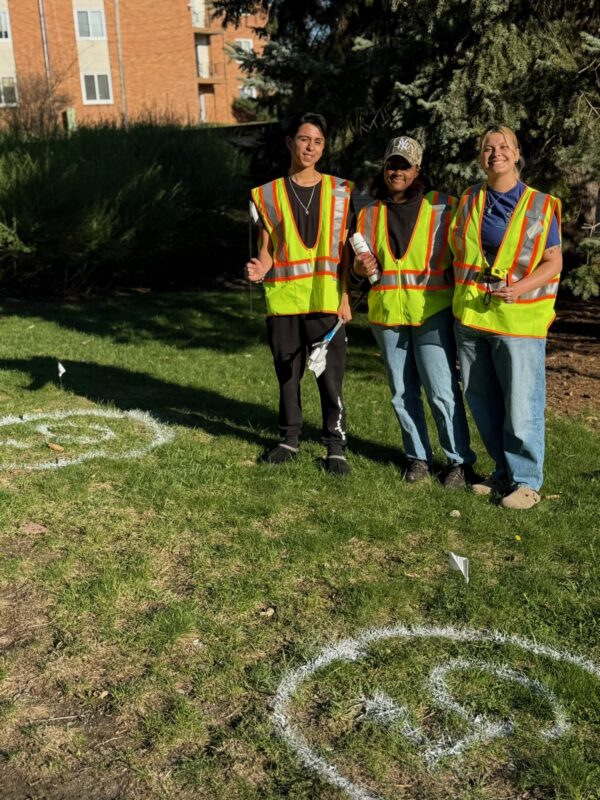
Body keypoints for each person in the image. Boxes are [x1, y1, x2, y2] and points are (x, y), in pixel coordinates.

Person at [352, 136, 476, 486]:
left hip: (431, 314)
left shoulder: (444, 207)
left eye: (404, 165)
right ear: (384, 167)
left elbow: (467, 253)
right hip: (388, 315)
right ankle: (417, 458)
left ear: (417, 169)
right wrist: (360, 270)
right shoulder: (368, 213)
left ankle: (459, 462)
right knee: (402, 393)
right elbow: (357, 269)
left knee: (441, 389)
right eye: (392, 164)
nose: (397, 171)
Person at [450, 125, 562, 509]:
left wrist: (520, 288)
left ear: (516, 154)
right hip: (472, 318)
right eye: (487, 148)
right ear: (481, 157)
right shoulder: (468, 200)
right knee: (482, 400)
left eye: (503, 147)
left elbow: (553, 261)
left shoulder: (541, 205)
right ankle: (502, 474)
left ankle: (527, 482)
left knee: (521, 404)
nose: (495, 153)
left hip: (518, 320)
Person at [245, 112, 354, 474]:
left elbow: (344, 251)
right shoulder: (268, 193)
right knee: (288, 374)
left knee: (329, 375)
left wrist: (345, 298)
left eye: (318, 141)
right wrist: (261, 266)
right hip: (285, 301)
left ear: (324, 147)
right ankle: (289, 438)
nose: (310, 147)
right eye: (304, 139)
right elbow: (268, 247)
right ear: (291, 142)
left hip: (325, 299)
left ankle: (334, 445)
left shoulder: (340, 191)